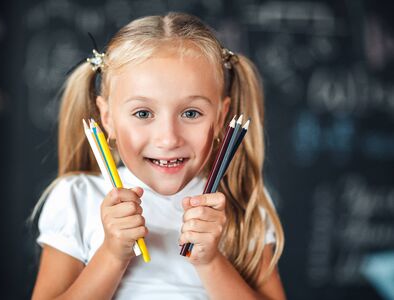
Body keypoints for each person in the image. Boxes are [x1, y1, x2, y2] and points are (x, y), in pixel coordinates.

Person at [31, 12, 285, 300]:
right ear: (107, 118)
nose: (168, 138)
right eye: (143, 113)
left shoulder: (245, 201)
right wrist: (112, 254)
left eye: (191, 113)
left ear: (221, 117)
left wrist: (211, 261)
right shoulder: (77, 198)